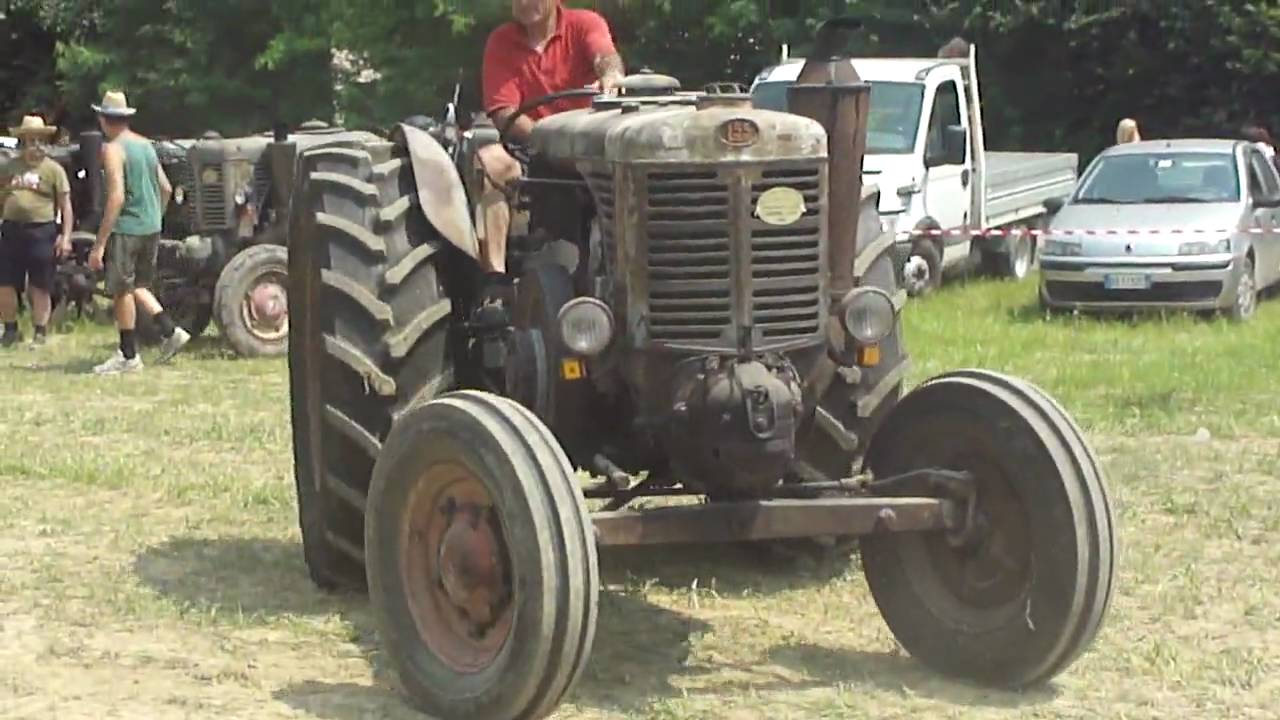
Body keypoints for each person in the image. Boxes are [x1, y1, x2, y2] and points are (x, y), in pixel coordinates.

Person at [477, 0, 625, 291]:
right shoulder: (501, 41)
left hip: (585, 146)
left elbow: (606, 57)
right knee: (491, 163)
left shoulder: (584, 24)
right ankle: (494, 280)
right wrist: (548, 141)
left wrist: (610, 75)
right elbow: (503, 111)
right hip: (530, 145)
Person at [86, 90, 190, 374]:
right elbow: (166, 188)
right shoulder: (146, 146)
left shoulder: (112, 149)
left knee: (121, 291)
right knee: (137, 286)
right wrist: (156, 216)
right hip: (151, 225)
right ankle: (170, 331)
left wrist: (99, 244)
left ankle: (128, 355)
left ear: (102, 119)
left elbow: (116, 196)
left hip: (127, 227)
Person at [0, 114, 73, 348]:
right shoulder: (9, 167)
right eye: (31, 141)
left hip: (42, 230)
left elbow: (66, 205)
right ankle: (10, 330)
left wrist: (66, 236)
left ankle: (40, 332)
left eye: (41, 141)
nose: (36, 146)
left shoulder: (54, 170)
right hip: (11, 230)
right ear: (24, 142)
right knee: (5, 283)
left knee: (39, 284)